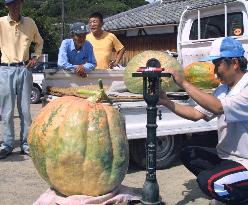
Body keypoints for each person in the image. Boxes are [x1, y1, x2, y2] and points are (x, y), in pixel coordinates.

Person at [159, 37, 248, 205]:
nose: (215, 71)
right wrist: (166, 102)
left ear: (234, 63)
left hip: (246, 161)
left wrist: (184, 84)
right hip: (228, 157)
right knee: (188, 153)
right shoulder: (223, 89)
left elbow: (218, 108)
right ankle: (233, 187)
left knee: (209, 181)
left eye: (217, 64)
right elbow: (195, 114)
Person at [0, 0, 43, 159]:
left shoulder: (30, 23)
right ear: (7, 6)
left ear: (21, 4)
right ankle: (7, 144)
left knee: (25, 110)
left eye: (17, 3)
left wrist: (35, 57)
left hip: (25, 69)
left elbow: (39, 42)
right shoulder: (1, 22)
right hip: (5, 69)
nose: (15, 6)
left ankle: (26, 144)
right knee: (7, 111)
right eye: (11, 4)